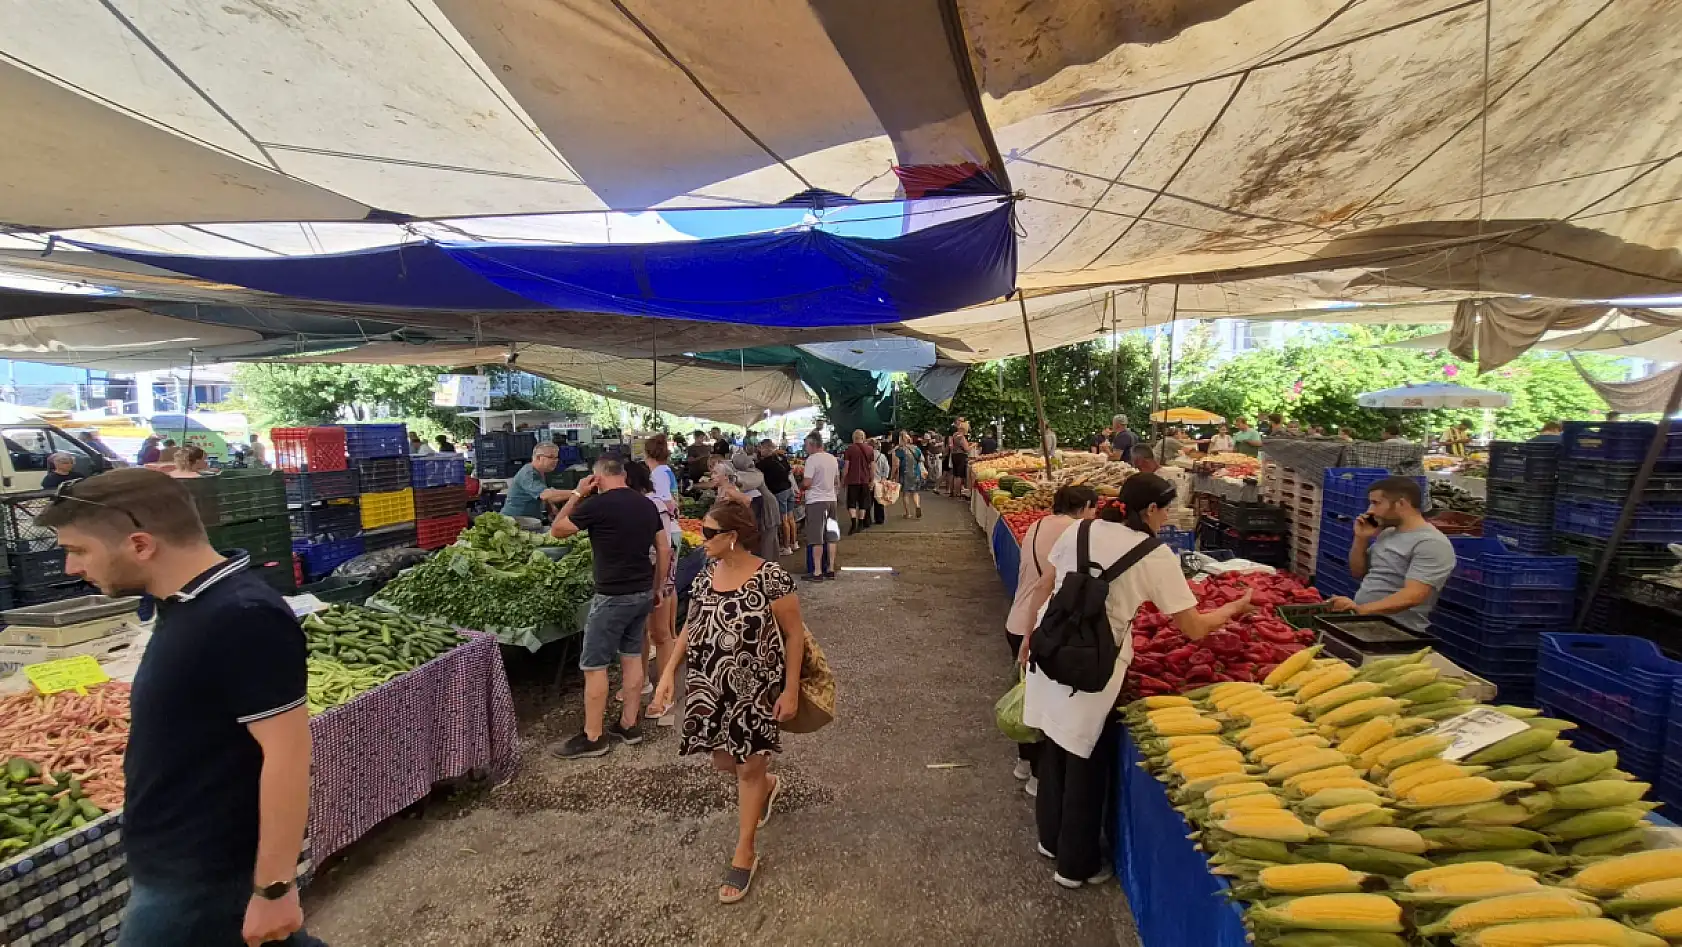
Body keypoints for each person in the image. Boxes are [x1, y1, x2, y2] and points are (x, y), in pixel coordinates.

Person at [37, 470, 320, 946]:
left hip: (200, 875)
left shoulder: (239, 617)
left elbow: (289, 755)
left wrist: (274, 889)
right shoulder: (187, 605)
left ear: (141, 544)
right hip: (181, 864)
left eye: (78, 550)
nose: (70, 568)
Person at [1017, 473, 1254, 889]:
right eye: (1167, 509)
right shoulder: (1153, 554)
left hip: (1052, 646)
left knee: (1053, 745)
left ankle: (1051, 843)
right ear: (1150, 510)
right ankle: (1076, 866)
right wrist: (1235, 608)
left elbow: (1048, 583)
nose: (1167, 518)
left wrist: (1027, 639)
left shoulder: (1081, 528)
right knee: (1085, 761)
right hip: (1094, 664)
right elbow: (1194, 628)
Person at [652, 501, 805, 904]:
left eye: (707, 533)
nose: (700, 541)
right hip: (708, 688)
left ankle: (745, 851)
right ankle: (768, 786)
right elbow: (691, 624)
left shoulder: (770, 577)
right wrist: (668, 673)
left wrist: (790, 690)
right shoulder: (706, 576)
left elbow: (794, 636)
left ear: (732, 536)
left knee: (747, 767)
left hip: (754, 690)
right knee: (724, 762)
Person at [550, 457, 669, 759]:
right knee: (632, 659)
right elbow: (664, 547)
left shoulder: (596, 505)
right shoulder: (646, 504)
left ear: (598, 478)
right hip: (642, 591)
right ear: (624, 475)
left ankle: (594, 736)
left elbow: (558, 530)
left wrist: (577, 494)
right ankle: (629, 724)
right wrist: (658, 587)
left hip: (611, 596)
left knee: (595, 666)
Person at [1004, 485, 1099, 797]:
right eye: (1093, 509)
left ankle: (1023, 762)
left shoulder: (1036, 524)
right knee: (1047, 705)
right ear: (1084, 507)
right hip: (1042, 627)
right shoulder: (1078, 533)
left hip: (1016, 618)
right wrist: (1032, 636)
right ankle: (1037, 776)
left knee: (1028, 696)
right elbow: (1050, 584)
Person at [1324, 476, 1456, 634]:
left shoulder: (1431, 543)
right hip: (1367, 622)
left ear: (1401, 503)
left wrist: (1360, 610)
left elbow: (1413, 595)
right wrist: (1361, 539)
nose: (1370, 511)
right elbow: (1357, 572)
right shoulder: (1387, 533)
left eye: (1376, 503)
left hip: (1396, 631)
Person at [641, 438, 683, 718]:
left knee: (659, 629)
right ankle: (669, 629)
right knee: (669, 589)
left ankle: (664, 692)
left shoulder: (657, 475)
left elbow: (669, 503)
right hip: (672, 532)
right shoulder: (667, 470)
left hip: (665, 536)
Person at [799, 433, 840, 581]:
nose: (805, 448)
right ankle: (830, 568)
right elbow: (837, 481)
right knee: (831, 536)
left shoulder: (812, 460)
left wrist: (801, 487)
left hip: (816, 501)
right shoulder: (832, 459)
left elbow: (807, 482)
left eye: (806, 445)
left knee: (816, 538)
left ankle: (817, 571)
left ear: (811, 445)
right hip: (832, 500)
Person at [499, 443, 568, 523]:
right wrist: (576, 492)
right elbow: (546, 495)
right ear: (538, 457)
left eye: (556, 457)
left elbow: (541, 494)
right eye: (551, 457)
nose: (555, 461)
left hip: (529, 520)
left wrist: (551, 509)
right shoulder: (529, 473)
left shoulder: (540, 472)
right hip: (513, 522)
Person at [755, 440, 797, 556]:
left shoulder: (763, 464)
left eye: (761, 448)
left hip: (779, 492)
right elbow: (789, 471)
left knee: (784, 520)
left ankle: (786, 547)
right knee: (791, 518)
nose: (759, 451)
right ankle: (794, 543)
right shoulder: (781, 457)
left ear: (766, 448)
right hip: (788, 489)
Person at [840, 430, 875, 536]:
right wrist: (872, 479)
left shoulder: (849, 450)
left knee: (851, 503)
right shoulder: (870, 449)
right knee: (863, 503)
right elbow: (872, 467)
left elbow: (846, 467)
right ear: (863, 437)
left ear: (853, 438)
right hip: (865, 480)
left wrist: (843, 479)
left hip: (852, 480)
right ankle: (860, 524)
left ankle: (853, 523)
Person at [891, 432, 925, 519]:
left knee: (905, 494)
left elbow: (896, 464)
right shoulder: (916, 448)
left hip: (905, 474)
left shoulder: (899, 450)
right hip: (916, 473)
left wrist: (892, 476)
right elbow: (922, 459)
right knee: (915, 492)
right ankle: (917, 505)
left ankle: (908, 513)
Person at [870, 439, 891, 527]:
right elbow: (886, 469)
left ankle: (867, 519)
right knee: (879, 501)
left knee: (868, 502)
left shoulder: (867, 455)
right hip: (879, 482)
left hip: (869, 482)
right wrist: (884, 478)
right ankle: (880, 519)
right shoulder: (882, 456)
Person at [948, 423, 971, 500]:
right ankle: (958, 493)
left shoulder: (954, 435)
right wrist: (972, 446)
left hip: (954, 455)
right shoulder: (961, 437)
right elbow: (966, 448)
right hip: (961, 456)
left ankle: (953, 492)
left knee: (955, 474)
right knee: (959, 475)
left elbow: (951, 445)